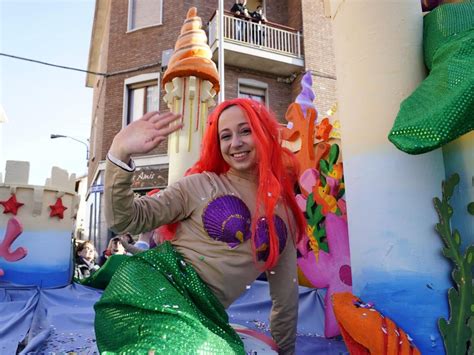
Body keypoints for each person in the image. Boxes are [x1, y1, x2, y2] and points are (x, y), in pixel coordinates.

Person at [94, 98, 307, 354]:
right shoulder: (198, 185)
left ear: (265, 134)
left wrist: (285, 351)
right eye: (225, 136)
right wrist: (119, 152)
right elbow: (124, 220)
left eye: (246, 131)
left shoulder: (284, 214)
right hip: (152, 293)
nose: (235, 143)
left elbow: (285, 296)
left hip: (204, 319)